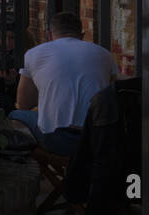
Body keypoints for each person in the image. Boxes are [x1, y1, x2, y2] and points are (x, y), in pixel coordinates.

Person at [10, 11, 118, 155]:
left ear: (49, 35)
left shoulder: (33, 54)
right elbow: (110, 93)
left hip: (57, 140)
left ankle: (28, 166)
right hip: (96, 140)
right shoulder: (104, 54)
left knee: (15, 114)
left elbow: (24, 103)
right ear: (82, 35)